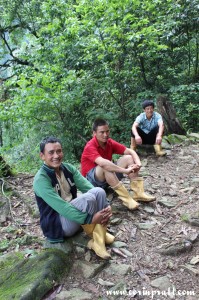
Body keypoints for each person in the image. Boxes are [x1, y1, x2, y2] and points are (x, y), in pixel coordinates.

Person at [33, 136, 115, 259]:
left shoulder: (67, 168)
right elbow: (62, 207)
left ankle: (99, 236)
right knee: (88, 199)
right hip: (59, 225)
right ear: (42, 156)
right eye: (51, 152)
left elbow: (88, 187)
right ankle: (96, 237)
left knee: (99, 191)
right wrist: (90, 219)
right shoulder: (41, 179)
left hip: (74, 217)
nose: (56, 155)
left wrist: (106, 205)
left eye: (59, 151)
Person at [81, 119, 155, 211]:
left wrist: (138, 164)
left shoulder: (109, 142)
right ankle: (127, 199)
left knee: (128, 157)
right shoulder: (90, 146)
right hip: (91, 183)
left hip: (107, 178)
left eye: (107, 131)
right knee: (105, 166)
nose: (105, 135)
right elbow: (103, 164)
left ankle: (138, 193)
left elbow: (130, 151)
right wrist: (125, 171)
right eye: (102, 132)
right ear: (94, 133)